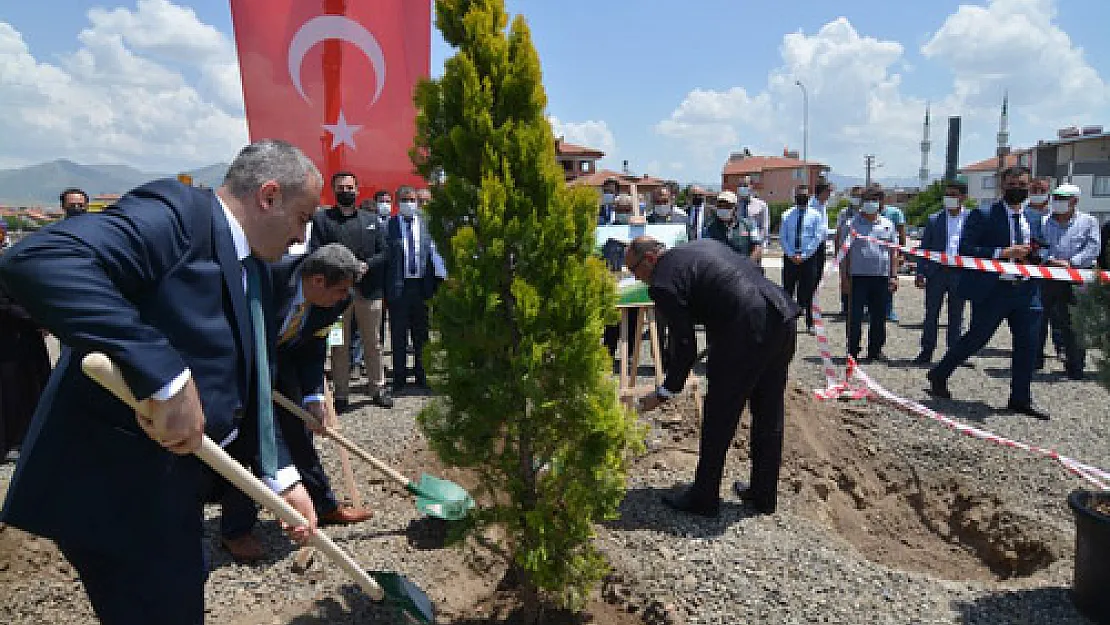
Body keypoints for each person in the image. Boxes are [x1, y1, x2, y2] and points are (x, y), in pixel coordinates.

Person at [0, 139, 321, 623]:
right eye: (302, 217)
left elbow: (253, 378)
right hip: (114, 491)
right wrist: (164, 373)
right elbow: (43, 259)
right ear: (269, 196)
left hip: (172, 489)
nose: (302, 238)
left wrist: (281, 474)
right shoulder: (175, 216)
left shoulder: (255, 266)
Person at [220, 243, 375, 562]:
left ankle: (322, 504)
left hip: (285, 358)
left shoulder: (334, 302)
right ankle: (237, 529)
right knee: (245, 444)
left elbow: (314, 347)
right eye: (341, 289)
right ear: (317, 280)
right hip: (240, 362)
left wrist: (313, 396)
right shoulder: (268, 278)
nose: (345, 297)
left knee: (301, 430)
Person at [629, 237, 800, 516]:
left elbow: (684, 346)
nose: (638, 279)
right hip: (781, 314)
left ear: (649, 259)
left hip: (745, 327)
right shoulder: (698, 246)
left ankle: (704, 497)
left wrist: (665, 392)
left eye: (635, 271)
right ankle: (763, 495)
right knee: (769, 412)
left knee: (719, 414)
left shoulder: (662, 281)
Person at [927, 166, 1048, 419]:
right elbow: (967, 249)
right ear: (1003, 186)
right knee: (977, 338)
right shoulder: (983, 214)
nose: (1018, 188)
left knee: (1028, 345)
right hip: (994, 290)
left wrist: (1038, 256)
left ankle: (1020, 398)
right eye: (1013, 184)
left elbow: (1040, 247)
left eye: (1023, 184)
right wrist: (1002, 253)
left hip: (1027, 289)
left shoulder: (1034, 218)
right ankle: (940, 373)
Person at [309, 171, 393, 411]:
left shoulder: (371, 219)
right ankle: (342, 394)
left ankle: (378, 387)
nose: (346, 191)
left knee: (373, 343)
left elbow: (385, 252)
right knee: (338, 344)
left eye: (350, 187)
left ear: (357, 190)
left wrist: (368, 265)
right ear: (334, 190)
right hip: (335, 295)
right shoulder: (323, 220)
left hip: (369, 292)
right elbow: (316, 251)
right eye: (341, 187)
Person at [1036, 183, 1101, 379]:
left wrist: (1071, 263)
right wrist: (1050, 260)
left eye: (1063, 199)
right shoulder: (1044, 221)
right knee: (1039, 320)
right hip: (1048, 277)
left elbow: (1093, 248)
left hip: (1076, 279)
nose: (1057, 202)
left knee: (1073, 323)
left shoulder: (1089, 221)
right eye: (1055, 198)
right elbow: (1038, 245)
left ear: (1075, 201)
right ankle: (1035, 361)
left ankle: (1075, 366)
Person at [386, 185, 446, 393]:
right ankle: (400, 379)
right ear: (397, 202)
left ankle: (423, 376)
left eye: (412, 199)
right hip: (399, 288)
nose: (409, 203)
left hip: (422, 287)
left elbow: (433, 255)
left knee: (422, 336)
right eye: (405, 199)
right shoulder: (390, 225)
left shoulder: (426, 224)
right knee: (398, 335)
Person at [913, 180, 970, 365]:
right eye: (947, 194)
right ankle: (926, 350)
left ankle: (954, 353)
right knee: (931, 313)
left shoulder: (971, 219)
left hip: (960, 273)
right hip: (937, 272)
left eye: (953, 195)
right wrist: (920, 272)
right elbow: (924, 248)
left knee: (957, 314)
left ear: (963, 197)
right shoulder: (934, 219)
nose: (949, 198)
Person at [0, 269, 51, 459]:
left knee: (31, 388)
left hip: (26, 341)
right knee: (13, 393)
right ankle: (14, 442)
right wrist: (36, 320)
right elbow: (5, 305)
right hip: (9, 343)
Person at [845, 187, 899, 361]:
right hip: (858, 277)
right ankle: (852, 350)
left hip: (881, 277)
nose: (871, 203)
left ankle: (875, 350)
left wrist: (894, 275)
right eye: (868, 199)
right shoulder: (851, 224)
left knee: (879, 317)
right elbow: (844, 252)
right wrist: (844, 278)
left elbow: (894, 252)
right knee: (855, 316)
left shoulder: (887, 225)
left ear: (880, 203)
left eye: (875, 199)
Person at [779, 184, 825, 333]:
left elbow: (817, 238)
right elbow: (783, 237)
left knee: (809, 290)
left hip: (809, 258)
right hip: (790, 258)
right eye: (799, 196)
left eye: (805, 196)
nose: (802, 199)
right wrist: (791, 254)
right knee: (787, 290)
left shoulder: (816, 216)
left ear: (809, 196)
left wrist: (804, 255)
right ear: (794, 197)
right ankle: (786, 321)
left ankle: (810, 322)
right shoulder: (786, 215)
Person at [703, 191, 762, 261]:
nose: (723, 209)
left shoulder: (749, 224)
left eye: (727, 206)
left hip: (744, 268)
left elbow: (757, 248)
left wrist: (747, 266)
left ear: (735, 207)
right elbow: (706, 250)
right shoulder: (710, 228)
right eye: (719, 206)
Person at [835, 186, 864, 316]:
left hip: (861, 251)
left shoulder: (866, 213)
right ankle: (845, 306)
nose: (856, 198)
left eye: (859, 196)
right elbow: (838, 233)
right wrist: (837, 253)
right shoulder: (843, 213)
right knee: (845, 277)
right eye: (854, 195)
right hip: (846, 250)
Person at [881, 200, 907, 322]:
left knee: (890, 281)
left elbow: (901, 234)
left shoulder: (895, 213)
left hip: (890, 252)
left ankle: (888, 310)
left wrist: (901, 253)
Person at [735, 176, 770, 260]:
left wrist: (759, 246)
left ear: (751, 186)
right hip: (737, 246)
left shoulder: (761, 205)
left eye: (745, 185)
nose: (742, 187)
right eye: (740, 185)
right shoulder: (734, 205)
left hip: (755, 246)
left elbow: (764, 227)